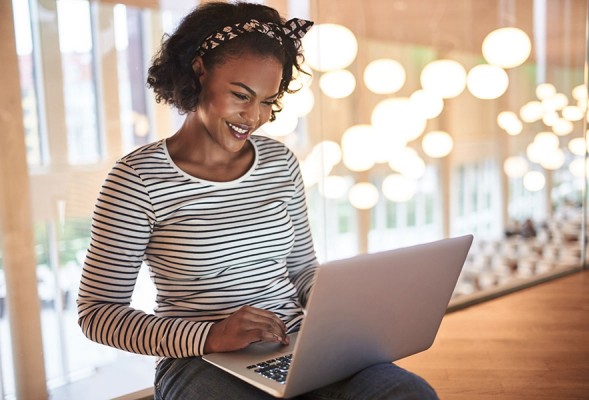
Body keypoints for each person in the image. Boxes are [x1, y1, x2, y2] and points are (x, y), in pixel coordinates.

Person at [77, 2, 438, 399]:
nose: (253, 116)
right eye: (241, 95)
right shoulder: (138, 179)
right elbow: (98, 314)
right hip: (199, 361)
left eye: (268, 100)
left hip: (296, 345)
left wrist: (341, 315)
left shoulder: (279, 162)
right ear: (199, 71)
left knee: (406, 392)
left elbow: (302, 270)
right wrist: (211, 335)